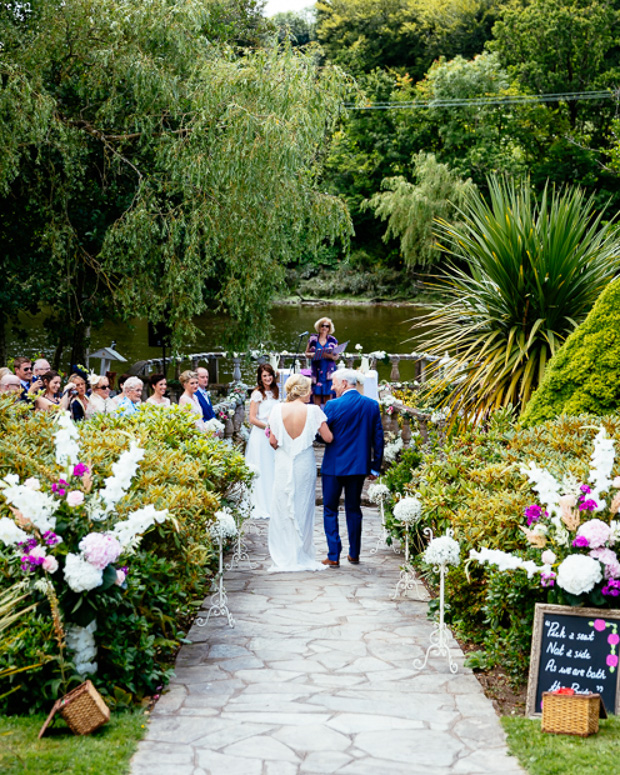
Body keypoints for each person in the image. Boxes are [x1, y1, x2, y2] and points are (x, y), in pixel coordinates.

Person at [267, 374, 333, 572]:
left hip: (283, 462)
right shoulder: (313, 411)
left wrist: (284, 447)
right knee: (303, 506)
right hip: (304, 462)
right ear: (303, 391)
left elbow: (272, 441)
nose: (312, 392)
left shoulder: (277, 409)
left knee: (283, 506)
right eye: (310, 389)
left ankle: (284, 554)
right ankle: (300, 553)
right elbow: (328, 438)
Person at [321, 368, 384, 567]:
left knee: (330, 509)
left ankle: (333, 555)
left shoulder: (332, 405)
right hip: (358, 467)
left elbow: (322, 435)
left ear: (345, 384)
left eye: (334, 383)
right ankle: (354, 553)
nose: (332, 387)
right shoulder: (372, 405)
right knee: (354, 509)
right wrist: (375, 467)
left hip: (333, 466)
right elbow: (378, 439)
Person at [245, 364, 279, 520]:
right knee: (262, 466)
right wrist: (268, 426)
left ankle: (273, 502)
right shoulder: (257, 394)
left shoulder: (276, 392)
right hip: (260, 435)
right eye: (264, 376)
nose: (267, 378)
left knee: (272, 467)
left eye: (269, 375)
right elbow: (252, 418)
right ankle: (260, 502)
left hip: (273, 435)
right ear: (260, 377)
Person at [305, 317, 338, 406]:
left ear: (329, 328)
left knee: (328, 395)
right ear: (319, 327)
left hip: (328, 371)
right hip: (317, 370)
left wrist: (327, 355)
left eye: (327, 326)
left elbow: (336, 357)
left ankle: (327, 417)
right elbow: (306, 353)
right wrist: (314, 355)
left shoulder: (333, 340)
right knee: (317, 394)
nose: (324, 328)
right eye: (322, 326)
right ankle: (317, 417)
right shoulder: (313, 339)